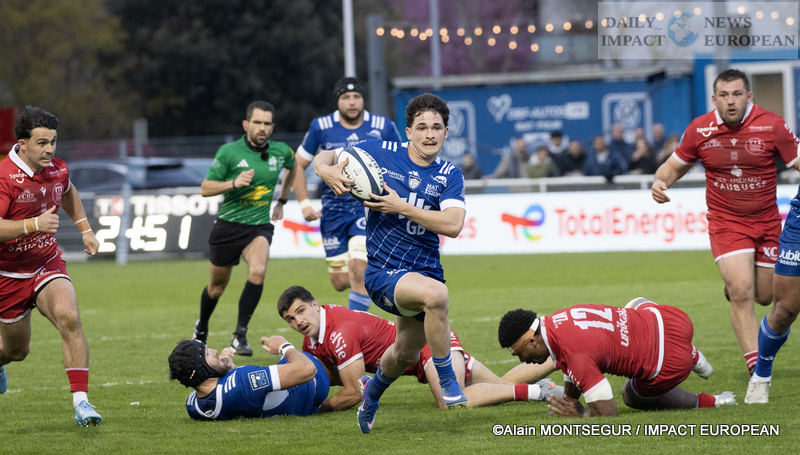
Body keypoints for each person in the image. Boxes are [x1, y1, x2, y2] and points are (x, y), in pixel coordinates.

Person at [314, 93, 467, 434]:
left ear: (446, 133)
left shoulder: (449, 174)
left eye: (437, 128)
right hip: (383, 272)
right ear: (408, 132)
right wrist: (325, 170)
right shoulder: (380, 152)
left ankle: (371, 395)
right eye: (422, 127)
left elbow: (453, 225)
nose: (430, 134)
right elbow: (326, 155)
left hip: (424, 271)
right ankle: (447, 379)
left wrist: (402, 207)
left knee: (404, 354)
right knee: (437, 297)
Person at [652, 69, 800, 376]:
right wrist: (659, 182)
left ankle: (734, 286)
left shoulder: (772, 125)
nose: (730, 101)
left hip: (767, 222)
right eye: (724, 95)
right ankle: (756, 366)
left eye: (736, 94)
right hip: (726, 222)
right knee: (742, 290)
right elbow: (673, 166)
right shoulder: (700, 129)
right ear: (714, 98)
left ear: (749, 96)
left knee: (765, 296)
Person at [277, 285, 562, 412]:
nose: (298, 321)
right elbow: (320, 376)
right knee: (500, 386)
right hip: (420, 349)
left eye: (301, 311)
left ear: (315, 305)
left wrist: (318, 408)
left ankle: (536, 392)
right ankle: (561, 356)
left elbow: (355, 392)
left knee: (452, 401)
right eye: (290, 319)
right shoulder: (314, 335)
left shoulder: (340, 331)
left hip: (428, 342)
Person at [0, 106, 102, 426]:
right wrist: (33, 225)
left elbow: (67, 190)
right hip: (8, 274)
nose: (49, 150)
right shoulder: (5, 177)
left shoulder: (58, 168)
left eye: (53, 141)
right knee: (16, 351)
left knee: (69, 316)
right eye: (42, 143)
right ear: (22, 144)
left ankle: (82, 403)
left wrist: (85, 229)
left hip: (46, 263)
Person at [498, 298, 738, 417]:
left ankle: (714, 400)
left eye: (521, 354)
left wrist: (580, 413)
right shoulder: (557, 320)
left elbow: (608, 412)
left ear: (533, 341)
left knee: (629, 395)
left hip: (671, 362)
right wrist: (568, 399)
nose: (523, 361)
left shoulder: (575, 354)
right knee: (635, 303)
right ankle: (692, 353)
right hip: (672, 320)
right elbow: (567, 361)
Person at [192, 100, 296, 356]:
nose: (262, 128)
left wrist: (282, 200)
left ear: (272, 127)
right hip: (227, 227)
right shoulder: (229, 152)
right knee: (217, 288)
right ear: (246, 124)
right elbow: (205, 188)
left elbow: (293, 168)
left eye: (267, 123)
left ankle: (239, 335)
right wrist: (233, 183)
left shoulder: (281, 151)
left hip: (258, 227)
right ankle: (201, 328)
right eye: (257, 122)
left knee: (258, 272)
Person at [292, 77, 401, 312]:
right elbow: (298, 164)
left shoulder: (383, 126)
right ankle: (370, 288)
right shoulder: (321, 127)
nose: (352, 102)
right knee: (340, 281)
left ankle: (356, 326)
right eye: (345, 97)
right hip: (333, 211)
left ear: (363, 99)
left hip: (368, 209)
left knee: (359, 269)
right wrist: (304, 203)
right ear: (337, 100)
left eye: (356, 97)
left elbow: (400, 161)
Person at [168, 336, 329, 420]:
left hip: (290, 399)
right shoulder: (243, 382)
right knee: (309, 354)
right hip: (312, 386)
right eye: (208, 353)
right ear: (202, 369)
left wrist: (226, 369)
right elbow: (307, 370)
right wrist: (284, 346)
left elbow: (228, 395)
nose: (215, 351)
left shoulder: (193, 405)